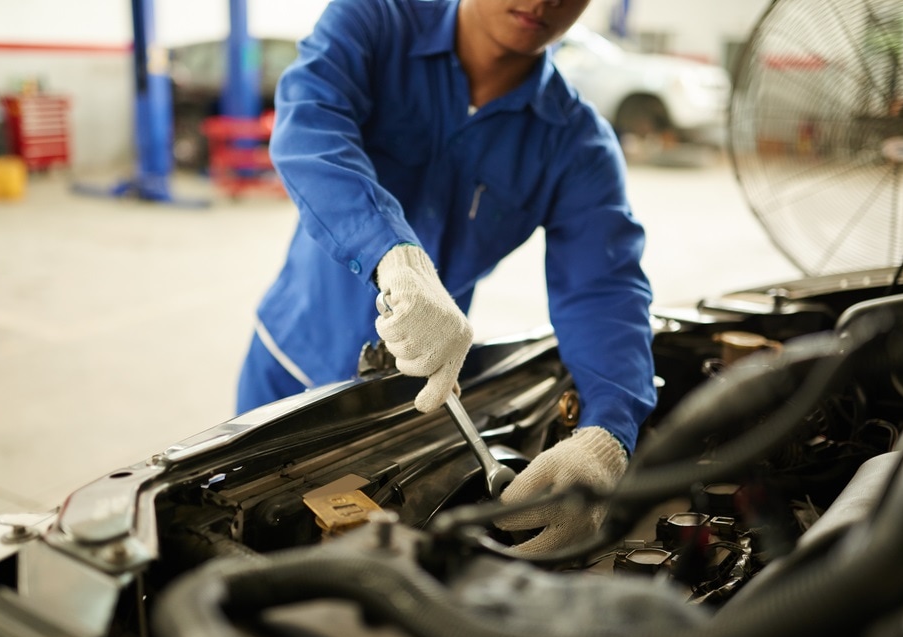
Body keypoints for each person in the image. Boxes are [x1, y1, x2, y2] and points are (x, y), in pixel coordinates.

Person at [237, 0, 657, 553]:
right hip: (289, 367)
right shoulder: (373, 21)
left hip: (410, 405)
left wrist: (606, 436)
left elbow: (605, 292)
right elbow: (310, 130)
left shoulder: (576, 145)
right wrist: (395, 256)